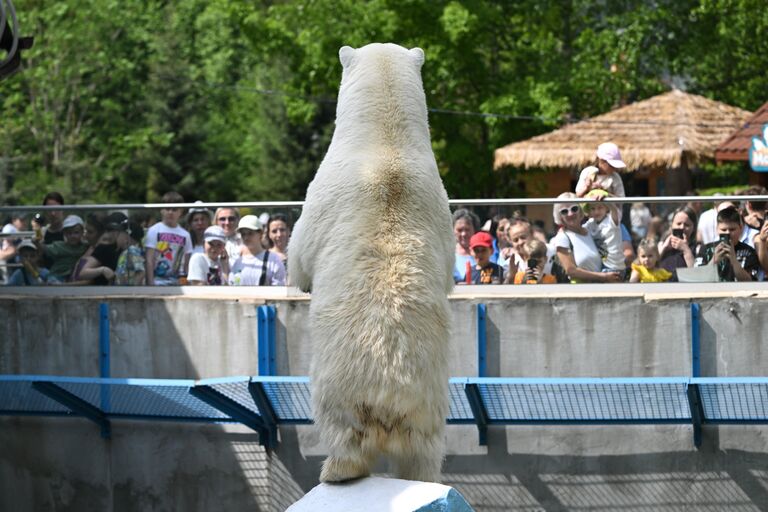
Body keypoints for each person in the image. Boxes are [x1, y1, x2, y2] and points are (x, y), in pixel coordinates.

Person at [551, 192, 620, 283]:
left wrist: (605, 198)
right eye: (564, 211)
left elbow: (613, 220)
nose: (570, 214)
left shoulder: (590, 229)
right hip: (581, 290)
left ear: (580, 210)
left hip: (602, 285)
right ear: (560, 216)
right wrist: (604, 277)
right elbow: (571, 271)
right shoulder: (562, 237)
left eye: (574, 208)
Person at [694, 207, 759, 282]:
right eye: (723, 230)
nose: (727, 233)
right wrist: (714, 260)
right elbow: (697, 279)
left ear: (741, 228)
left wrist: (734, 260)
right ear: (717, 229)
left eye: (732, 229)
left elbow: (750, 282)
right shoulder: (706, 249)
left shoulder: (749, 251)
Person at [145, 192, 194, 286]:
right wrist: (150, 284)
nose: (170, 212)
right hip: (157, 281)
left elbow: (187, 263)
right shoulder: (154, 230)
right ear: (161, 210)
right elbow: (149, 259)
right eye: (167, 209)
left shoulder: (186, 235)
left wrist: (186, 283)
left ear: (181, 212)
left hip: (178, 283)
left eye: (174, 209)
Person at [228, 215, 286, 286]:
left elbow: (279, 288)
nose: (246, 237)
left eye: (250, 233)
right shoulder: (237, 262)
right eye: (243, 234)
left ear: (260, 234)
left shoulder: (273, 260)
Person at [583, 189, 626, 278]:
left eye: (600, 208)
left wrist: (607, 200)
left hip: (614, 266)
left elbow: (614, 209)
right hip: (599, 265)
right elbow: (579, 229)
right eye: (593, 208)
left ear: (606, 208)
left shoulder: (611, 220)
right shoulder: (590, 223)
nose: (596, 212)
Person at [76, 212, 129, 285]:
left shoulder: (126, 249)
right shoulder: (104, 248)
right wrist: (103, 270)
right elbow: (83, 273)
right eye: (110, 230)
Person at [39, 214, 88, 281]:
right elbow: (45, 248)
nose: (72, 236)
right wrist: (37, 243)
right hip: (58, 275)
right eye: (69, 233)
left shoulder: (85, 246)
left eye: (76, 232)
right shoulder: (59, 246)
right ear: (64, 234)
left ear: (82, 232)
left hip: (75, 277)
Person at [657, 206, 698, 281]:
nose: (682, 227)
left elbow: (697, 276)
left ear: (693, 228)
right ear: (672, 225)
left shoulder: (698, 248)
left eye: (687, 225)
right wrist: (664, 248)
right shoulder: (661, 245)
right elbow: (648, 266)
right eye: (678, 224)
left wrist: (686, 250)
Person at [452, 209, 479, 283]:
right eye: (459, 230)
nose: (464, 234)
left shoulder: (483, 252)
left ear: (474, 230)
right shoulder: (447, 253)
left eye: (467, 229)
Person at [114, 220, 146, 285]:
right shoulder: (126, 252)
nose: (116, 236)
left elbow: (140, 272)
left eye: (119, 234)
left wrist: (133, 290)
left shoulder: (132, 250)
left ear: (127, 238)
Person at [1, 212, 26, 282]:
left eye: (24, 220)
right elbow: (5, 237)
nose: (23, 222)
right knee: (6, 278)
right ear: (14, 220)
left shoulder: (18, 231)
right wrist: (17, 238)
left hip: (13, 256)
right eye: (21, 220)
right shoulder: (9, 227)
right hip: (7, 255)